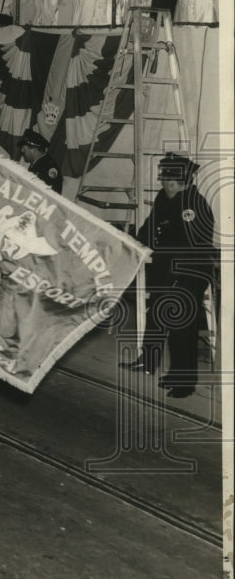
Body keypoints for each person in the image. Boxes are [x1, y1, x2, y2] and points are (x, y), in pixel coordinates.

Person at [119, 154, 215, 398]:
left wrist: (174, 277)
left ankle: (184, 381)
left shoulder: (194, 205)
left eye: (171, 183)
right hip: (166, 267)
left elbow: (193, 247)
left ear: (185, 181)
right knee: (156, 313)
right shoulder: (165, 197)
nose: (165, 186)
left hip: (190, 271)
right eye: (164, 181)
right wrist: (135, 243)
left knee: (182, 325)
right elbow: (151, 226)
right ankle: (148, 361)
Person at [18, 128, 63, 194]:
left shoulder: (48, 168)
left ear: (33, 150)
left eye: (24, 149)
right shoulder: (37, 163)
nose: (22, 150)